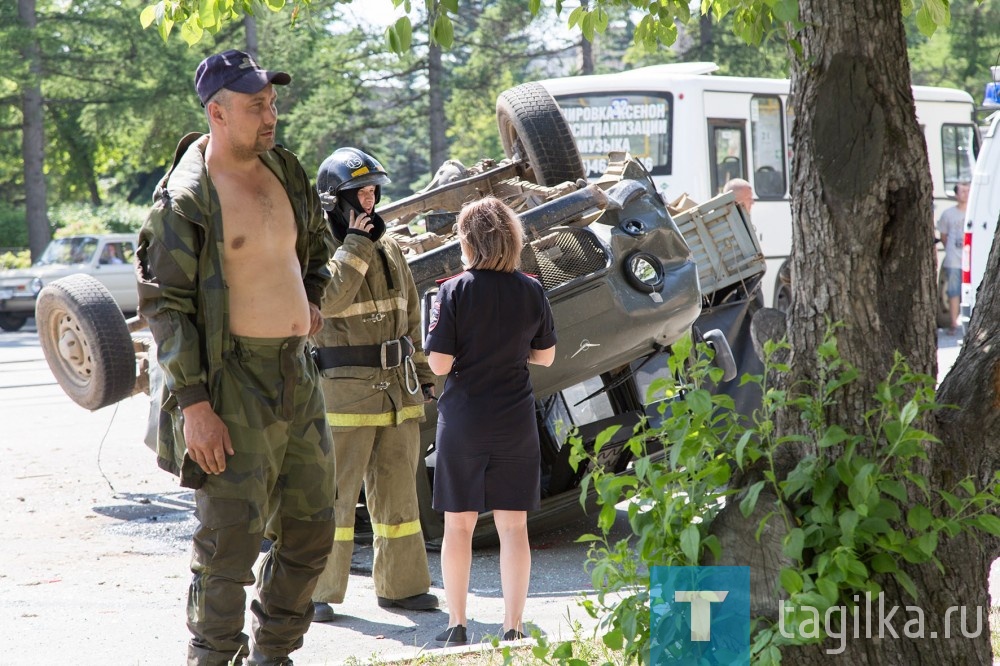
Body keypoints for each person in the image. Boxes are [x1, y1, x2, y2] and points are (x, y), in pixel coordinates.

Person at [136, 49, 337, 666]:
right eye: (256, 106)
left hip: (296, 374)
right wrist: (194, 405)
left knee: (313, 532)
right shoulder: (186, 198)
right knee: (228, 547)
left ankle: (273, 655)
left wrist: (312, 301)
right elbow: (164, 308)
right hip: (230, 383)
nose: (271, 114)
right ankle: (213, 658)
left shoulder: (286, 169)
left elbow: (315, 255)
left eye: (272, 102)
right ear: (217, 113)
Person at [308, 147, 439, 621]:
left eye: (372, 192)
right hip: (344, 392)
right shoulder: (318, 248)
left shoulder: (386, 245)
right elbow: (328, 300)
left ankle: (402, 587)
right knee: (336, 495)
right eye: (358, 194)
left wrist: (423, 379)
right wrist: (357, 245)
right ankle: (318, 590)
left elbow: (411, 316)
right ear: (335, 201)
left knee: (400, 493)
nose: (369, 202)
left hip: (396, 389)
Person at [423, 196, 557, 645]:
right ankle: (513, 627)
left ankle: (457, 624)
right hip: (515, 417)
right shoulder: (531, 288)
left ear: (469, 240)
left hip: (464, 419)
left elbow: (440, 365)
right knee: (513, 527)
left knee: (458, 525)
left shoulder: (452, 290)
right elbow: (546, 354)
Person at [936, 180, 969, 335]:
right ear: (956, 194)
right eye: (962, 191)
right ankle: (954, 324)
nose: (965, 194)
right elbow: (943, 236)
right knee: (953, 291)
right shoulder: (948, 214)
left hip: (970, 259)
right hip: (954, 259)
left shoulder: (974, 211)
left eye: (967, 190)